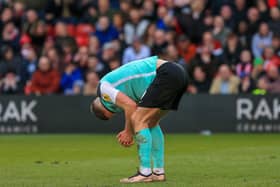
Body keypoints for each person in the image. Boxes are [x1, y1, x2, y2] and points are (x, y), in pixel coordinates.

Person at [91, 56, 188, 183]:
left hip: (165, 73)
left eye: (112, 111)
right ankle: (158, 172)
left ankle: (145, 172)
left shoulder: (103, 88)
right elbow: (131, 105)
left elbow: (130, 106)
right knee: (151, 123)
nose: (115, 110)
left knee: (138, 119)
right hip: (179, 73)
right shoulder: (125, 89)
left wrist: (128, 132)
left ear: (103, 106)